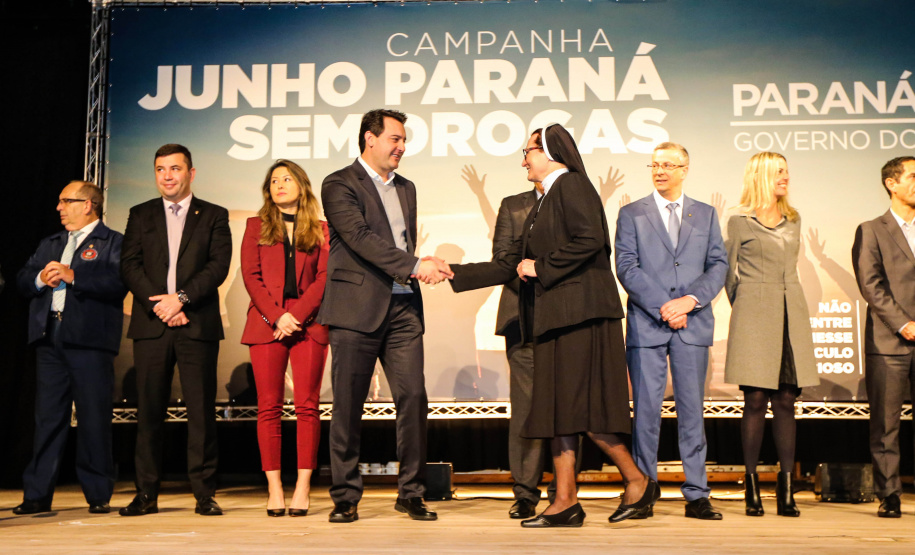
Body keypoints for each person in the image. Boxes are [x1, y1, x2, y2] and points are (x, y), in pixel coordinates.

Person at [450, 124, 657, 527]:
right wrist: (452, 272)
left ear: (551, 153)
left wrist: (540, 266)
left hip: (581, 316)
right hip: (555, 318)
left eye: (528, 151)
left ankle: (637, 481)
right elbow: (510, 261)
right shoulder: (545, 200)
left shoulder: (571, 184)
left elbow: (591, 239)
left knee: (585, 410)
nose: (523, 159)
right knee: (558, 410)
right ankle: (565, 500)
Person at [319, 109, 447, 523]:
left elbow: (401, 240)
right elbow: (358, 238)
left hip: (404, 308)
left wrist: (416, 266)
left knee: (413, 399)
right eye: (395, 139)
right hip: (356, 310)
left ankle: (411, 492)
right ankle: (345, 496)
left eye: (404, 140)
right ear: (369, 139)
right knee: (348, 407)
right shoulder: (338, 183)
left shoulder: (406, 187)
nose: (401, 147)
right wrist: (414, 265)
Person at [615, 142, 728, 520]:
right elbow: (627, 267)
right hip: (649, 324)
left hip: (692, 324)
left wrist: (690, 301)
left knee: (692, 413)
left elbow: (717, 265)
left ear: (685, 169)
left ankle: (697, 494)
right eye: (655, 164)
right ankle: (643, 490)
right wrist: (665, 306)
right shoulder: (631, 213)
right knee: (645, 413)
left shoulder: (707, 214)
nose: (660, 170)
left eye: (668, 165)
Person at [119, 144, 232, 516]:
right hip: (153, 325)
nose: (167, 176)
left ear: (191, 173)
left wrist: (180, 299)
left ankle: (204, 493)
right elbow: (130, 266)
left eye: (175, 168)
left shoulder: (214, 215)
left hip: (196, 323)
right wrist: (162, 306)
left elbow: (217, 267)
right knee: (149, 412)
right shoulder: (140, 214)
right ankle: (146, 494)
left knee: (201, 412)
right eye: (160, 169)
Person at [13, 181, 125, 515]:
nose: (59, 207)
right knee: (48, 419)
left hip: (89, 340)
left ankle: (97, 493)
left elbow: (118, 283)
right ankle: (36, 494)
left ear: (89, 204)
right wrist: (38, 280)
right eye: (60, 201)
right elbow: (21, 279)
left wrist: (74, 276)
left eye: (66, 201)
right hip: (50, 337)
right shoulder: (51, 243)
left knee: (93, 418)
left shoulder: (112, 242)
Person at [723, 152, 818, 517]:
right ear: (761, 175)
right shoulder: (738, 220)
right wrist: (745, 305)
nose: (785, 178)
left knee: (785, 400)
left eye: (787, 172)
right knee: (755, 400)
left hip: (790, 313)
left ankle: (787, 489)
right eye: (779, 172)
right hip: (752, 312)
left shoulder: (793, 220)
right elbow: (726, 272)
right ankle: (750, 487)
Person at [240, 160, 329, 517]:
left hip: (309, 322)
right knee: (269, 407)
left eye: (286, 179)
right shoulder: (254, 226)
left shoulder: (323, 229)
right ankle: (274, 488)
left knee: (307, 406)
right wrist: (278, 316)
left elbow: (324, 278)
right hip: (268, 322)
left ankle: (303, 487)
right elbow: (251, 275)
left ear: (301, 186)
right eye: (274, 180)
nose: (279, 185)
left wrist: (297, 315)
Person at [852, 155, 915, 519]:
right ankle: (889, 494)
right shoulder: (872, 229)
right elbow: (870, 284)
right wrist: (902, 323)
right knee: (886, 424)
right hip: (890, 341)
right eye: (911, 176)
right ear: (891, 183)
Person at [492, 183, 551, 519]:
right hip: (520, 317)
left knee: (566, 409)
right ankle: (526, 493)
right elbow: (501, 260)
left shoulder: (574, 202)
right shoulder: (513, 204)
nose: (525, 162)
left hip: (565, 319)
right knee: (526, 408)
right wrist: (536, 279)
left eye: (530, 153)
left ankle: (564, 489)